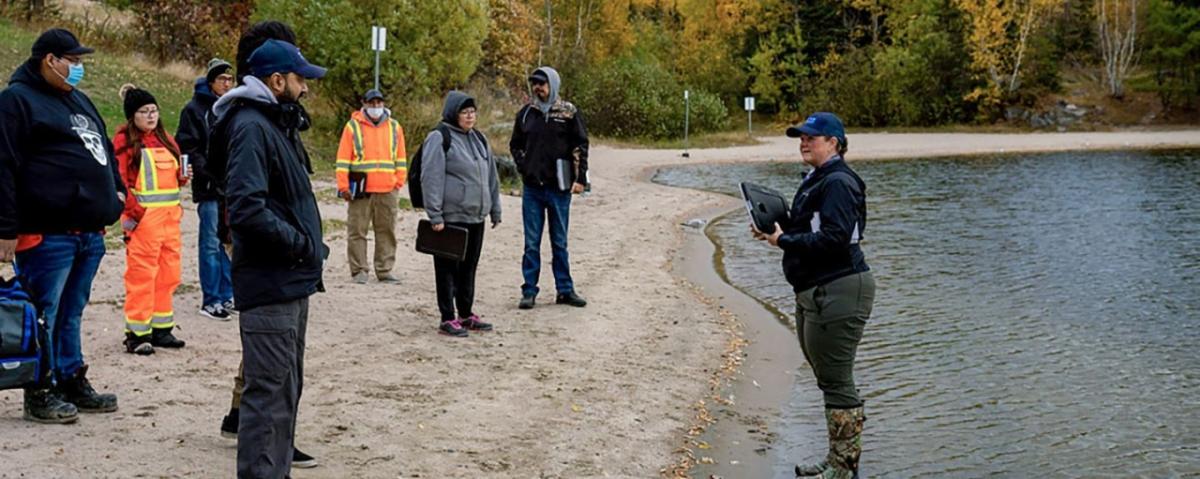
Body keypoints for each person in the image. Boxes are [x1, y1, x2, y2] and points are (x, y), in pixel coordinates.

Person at [209, 37, 327, 477]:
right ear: (277, 81)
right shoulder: (251, 127)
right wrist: (300, 244)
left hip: (290, 278)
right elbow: (246, 208)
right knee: (269, 395)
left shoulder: (273, 122)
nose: (306, 89)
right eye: (300, 79)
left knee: (284, 392)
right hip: (272, 279)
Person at [0, 28, 122, 423]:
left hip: (88, 232)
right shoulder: (16, 102)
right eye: (73, 61)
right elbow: (2, 168)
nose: (79, 68)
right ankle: (40, 389)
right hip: (46, 232)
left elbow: (103, 146)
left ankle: (71, 376)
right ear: (49, 60)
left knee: (72, 311)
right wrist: (5, 228)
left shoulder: (79, 100)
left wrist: (116, 192)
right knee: (44, 313)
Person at [750, 112, 873, 479]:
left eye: (811, 138)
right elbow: (813, 228)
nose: (803, 142)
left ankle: (844, 467)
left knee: (837, 378)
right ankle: (836, 459)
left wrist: (784, 240)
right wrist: (777, 229)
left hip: (838, 288)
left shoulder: (838, 182)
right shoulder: (818, 178)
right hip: (818, 289)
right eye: (800, 137)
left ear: (834, 143)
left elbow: (837, 238)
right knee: (828, 377)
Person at [113, 85, 189, 355]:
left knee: (169, 274)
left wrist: (182, 176)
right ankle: (137, 334)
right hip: (144, 221)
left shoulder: (166, 138)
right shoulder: (124, 141)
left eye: (154, 111)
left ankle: (162, 329)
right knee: (142, 276)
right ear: (132, 115)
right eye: (144, 112)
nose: (150, 116)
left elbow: (176, 176)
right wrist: (134, 213)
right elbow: (119, 180)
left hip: (170, 220)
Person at [421, 91, 501, 337]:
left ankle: (466, 313)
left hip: (476, 216)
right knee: (447, 269)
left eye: (473, 112)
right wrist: (435, 215)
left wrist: (495, 208)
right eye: (464, 112)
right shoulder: (440, 137)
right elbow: (430, 177)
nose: (470, 116)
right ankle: (447, 317)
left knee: (469, 267)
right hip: (451, 217)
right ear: (453, 114)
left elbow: (491, 177)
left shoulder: (479, 138)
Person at [509, 66, 589, 310]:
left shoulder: (568, 113)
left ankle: (564, 290)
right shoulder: (526, 114)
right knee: (531, 242)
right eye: (535, 83)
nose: (538, 88)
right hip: (532, 188)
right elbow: (515, 145)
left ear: (552, 85)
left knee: (560, 242)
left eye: (542, 83)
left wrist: (580, 179)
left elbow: (581, 145)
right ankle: (529, 290)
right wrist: (525, 167)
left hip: (559, 188)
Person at [177, 58, 235, 321]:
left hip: (231, 186)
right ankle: (211, 299)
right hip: (210, 186)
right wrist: (208, 172)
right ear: (211, 81)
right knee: (210, 243)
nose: (227, 83)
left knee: (227, 242)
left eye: (230, 79)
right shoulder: (194, 110)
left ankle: (227, 294)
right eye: (222, 79)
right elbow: (188, 146)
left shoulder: (233, 107)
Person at [335, 88, 406, 285]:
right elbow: (342, 159)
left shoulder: (395, 127)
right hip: (360, 190)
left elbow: (401, 157)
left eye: (379, 103)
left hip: (387, 189)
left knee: (387, 231)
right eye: (371, 103)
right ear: (364, 104)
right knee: (357, 231)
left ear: (383, 104)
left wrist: (398, 181)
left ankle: (384, 270)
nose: (375, 107)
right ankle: (359, 271)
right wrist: (343, 186)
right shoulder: (352, 127)